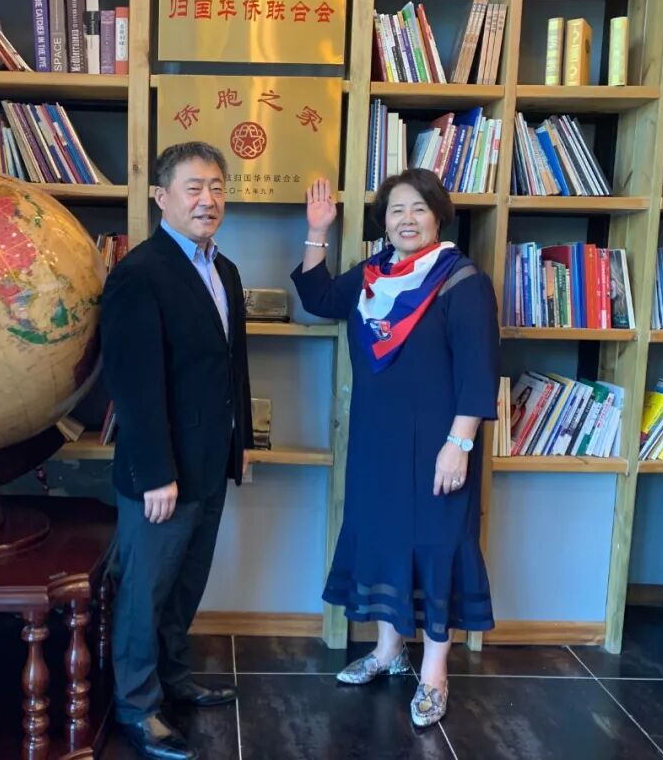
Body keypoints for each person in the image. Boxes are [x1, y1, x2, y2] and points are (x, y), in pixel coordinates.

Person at [290, 168, 499, 728]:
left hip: (437, 444)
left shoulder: (461, 281)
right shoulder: (373, 276)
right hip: (376, 440)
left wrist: (459, 444)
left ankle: (434, 672)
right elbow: (318, 298)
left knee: (436, 545)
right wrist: (318, 231)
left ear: (438, 217)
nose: (407, 220)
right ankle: (388, 651)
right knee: (383, 540)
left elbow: (478, 371)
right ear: (383, 222)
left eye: (418, 209)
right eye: (396, 211)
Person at [100, 141, 252, 760]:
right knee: (145, 593)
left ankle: (173, 678)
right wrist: (156, 474)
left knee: (185, 585)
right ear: (162, 197)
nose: (207, 199)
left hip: (212, 461)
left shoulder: (225, 270)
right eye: (194, 188)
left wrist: (241, 444)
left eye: (217, 187)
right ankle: (137, 706)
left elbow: (234, 367)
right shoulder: (139, 274)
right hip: (161, 475)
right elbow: (133, 386)